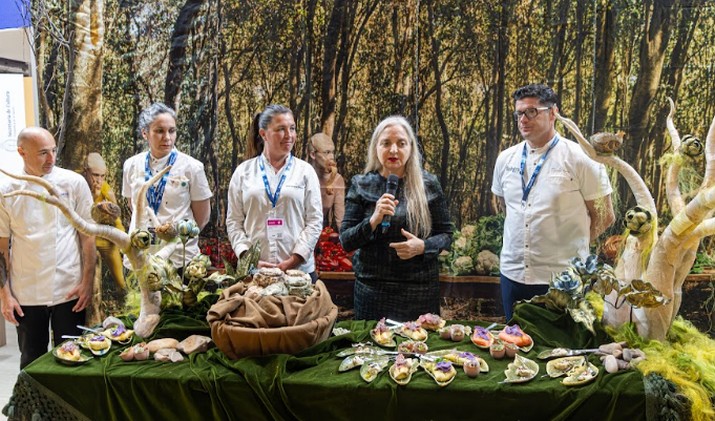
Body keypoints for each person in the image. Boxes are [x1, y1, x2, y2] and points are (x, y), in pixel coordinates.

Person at [491, 84, 615, 321]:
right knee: (515, 339)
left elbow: (605, 215)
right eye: (519, 113)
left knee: (561, 345)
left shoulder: (581, 158)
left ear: (553, 113)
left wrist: (574, 247)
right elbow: (510, 208)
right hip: (513, 273)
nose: (523, 120)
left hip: (562, 278)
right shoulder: (505, 159)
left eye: (531, 112)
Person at [339, 116, 453, 321]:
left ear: (411, 148)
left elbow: (446, 235)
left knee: (418, 341)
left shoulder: (429, 184)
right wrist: (373, 220)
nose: (393, 150)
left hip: (419, 292)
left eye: (401, 143)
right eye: (386, 143)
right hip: (372, 292)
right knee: (373, 342)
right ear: (376, 147)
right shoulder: (361, 184)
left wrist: (422, 246)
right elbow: (346, 241)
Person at [0, 127, 96, 368]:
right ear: (22, 152)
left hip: (69, 288)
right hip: (26, 292)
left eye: (53, 151)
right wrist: (5, 295)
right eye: (43, 153)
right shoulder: (7, 190)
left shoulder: (73, 183)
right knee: (32, 361)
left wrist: (87, 282)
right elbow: (1, 248)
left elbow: (88, 237)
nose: (51, 158)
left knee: (73, 359)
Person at [226, 104, 323, 279]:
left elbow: (315, 221)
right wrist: (249, 258)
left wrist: (295, 259)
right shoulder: (243, 172)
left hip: (298, 273)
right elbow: (234, 222)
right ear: (263, 134)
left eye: (292, 128)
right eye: (281, 129)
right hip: (255, 273)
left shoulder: (305, 172)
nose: (289, 135)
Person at [122, 103, 212, 270]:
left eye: (172, 131)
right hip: (138, 256)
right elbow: (133, 205)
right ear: (145, 133)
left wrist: (177, 235)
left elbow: (203, 217)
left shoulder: (192, 167)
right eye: (159, 131)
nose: (167, 137)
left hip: (179, 259)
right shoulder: (131, 165)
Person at [82, 152, 126, 289]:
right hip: (82, 238)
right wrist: (94, 198)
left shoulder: (105, 188)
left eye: (102, 176)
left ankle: (125, 295)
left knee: (121, 281)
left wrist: (122, 239)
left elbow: (116, 217)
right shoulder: (78, 183)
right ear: (86, 171)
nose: (99, 180)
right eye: (96, 175)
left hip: (102, 238)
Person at [308, 133, 345, 230]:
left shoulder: (337, 180)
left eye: (332, 152)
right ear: (313, 154)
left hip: (318, 231)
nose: (332, 157)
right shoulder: (302, 176)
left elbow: (340, 219)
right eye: (327, 152)